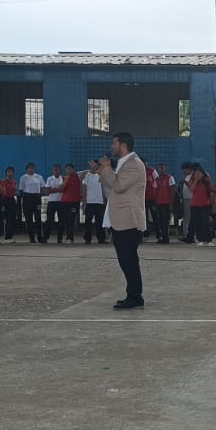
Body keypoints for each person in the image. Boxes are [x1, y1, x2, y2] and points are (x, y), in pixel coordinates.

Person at [96, 132, 146, 310]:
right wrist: (102, 170)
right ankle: (132, 294)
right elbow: (113, 184)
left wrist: (106, 168)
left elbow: (118, 186)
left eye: (114, 144)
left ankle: (135, 297)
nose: (112, 147)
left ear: (123, 145)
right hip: (121, 219)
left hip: (129, 220)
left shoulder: (133, 164)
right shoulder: (124, 163)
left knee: (129, 261)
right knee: (126, 261)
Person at [16, 163, 43, 244]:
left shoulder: (39, 177)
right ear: (26, 169)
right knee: (28, 219)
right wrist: (25, 198)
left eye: (32, 168)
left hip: (37, 198)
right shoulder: (23, 177)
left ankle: (39, 236)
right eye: (29, 168)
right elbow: (21, 190)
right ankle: (31, 237)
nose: (30, 169)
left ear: (34, 169)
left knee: (38, 218)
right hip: (27, 198)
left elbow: (42, 187)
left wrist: (39, 196)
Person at [186, 165, 214, 245]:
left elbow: (211, 193)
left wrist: (212, 205)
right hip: (195, 205)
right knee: (196, 222)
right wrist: (195, 180)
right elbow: (191, 189)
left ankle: (209, 240)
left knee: (205, 222)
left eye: (199, 174)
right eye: (196, 174)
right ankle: (200, 239)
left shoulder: (207, 182)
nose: (197, 175)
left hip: (205, 204)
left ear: (202, 174)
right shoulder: (192, 180)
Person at [82, 163, 108, 244]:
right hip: (90, 202)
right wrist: (84, 202)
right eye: (94, 166)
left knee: (100, 222)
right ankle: (87, 238)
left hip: (99, 202)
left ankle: (101, 238)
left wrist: (104, 200)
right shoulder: (87, 176)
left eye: (97, 167)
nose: (96, 168)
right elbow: (84, 189)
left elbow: (103, 189)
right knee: (88, 222)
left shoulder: (101, 176)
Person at [150, 164, 175, 244]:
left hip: (166, 203)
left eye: (162, 168)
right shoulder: (157, 179)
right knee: (160, 221)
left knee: (165, 221)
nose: (161, 170)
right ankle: (162, 237)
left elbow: (173, 191)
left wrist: (171, 203)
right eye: (159, 169)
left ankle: (166, 237)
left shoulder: (170, 178)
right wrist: (155, 203)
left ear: (165, 169)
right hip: (159, 203)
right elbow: (155, 192)